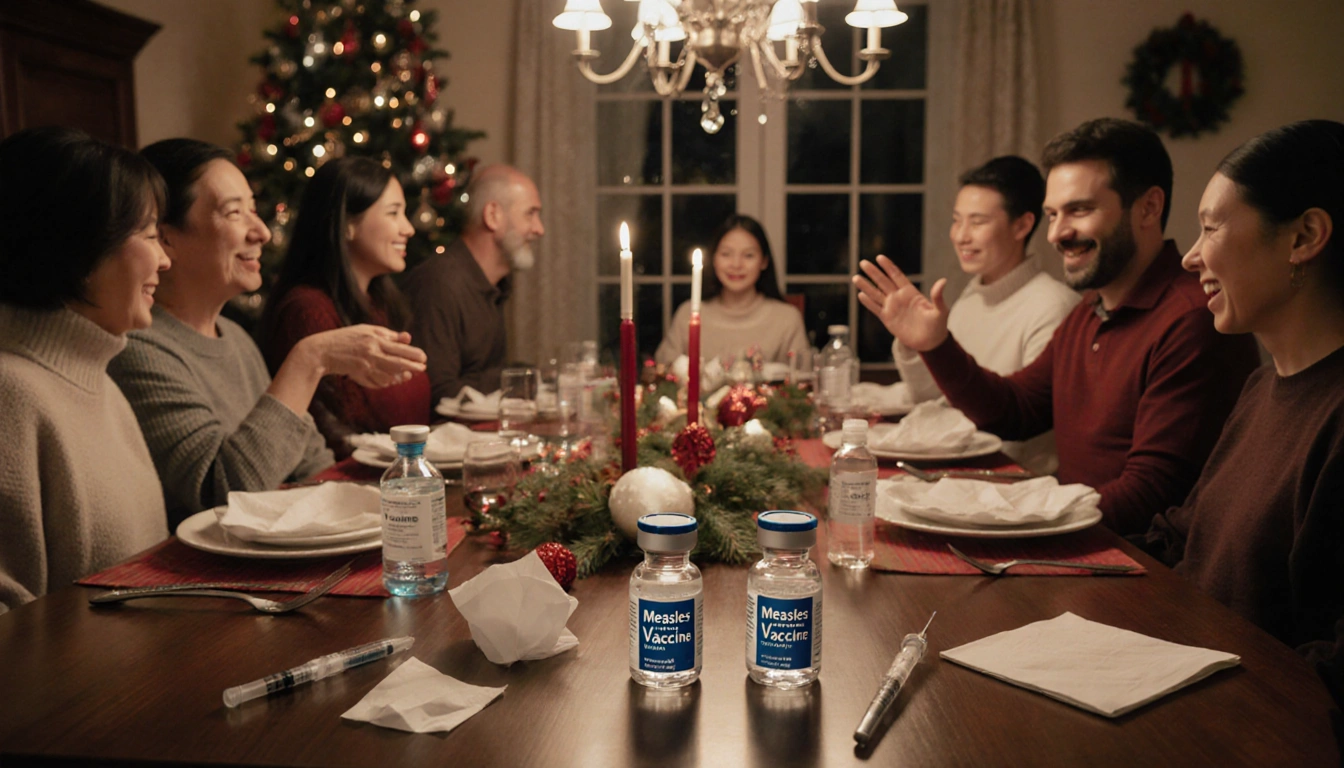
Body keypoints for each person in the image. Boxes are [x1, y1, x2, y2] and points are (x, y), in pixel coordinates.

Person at [854, 118, 1261, 535]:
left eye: (1079, 210)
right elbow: (1015, 411)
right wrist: (936, 344)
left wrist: (1018, 520)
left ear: (1149, 208)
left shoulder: (1192, 317)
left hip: (1135, 571)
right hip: (1079, 544)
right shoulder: (1091, 310)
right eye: (1052, 214)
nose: (1057, 234)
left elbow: (1151, 494)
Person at [109, 139, 426, 526]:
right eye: (233, 212)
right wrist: (310, 359)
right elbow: (224, 493)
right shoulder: (140, 348)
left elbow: (314, 466)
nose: (260, 231)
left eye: (253, 210)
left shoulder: (236, 338)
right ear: (166, 237)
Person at [1141, 120, 1344, 707]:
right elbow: (1180, 540)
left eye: (1210, 228)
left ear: (1304, 236)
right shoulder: (1263, 386)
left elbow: (1328, 669)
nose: (1192, 256)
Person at [0, 127, 169, 612]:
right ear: (79, 246)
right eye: (151, 235)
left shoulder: (98, 378)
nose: (163, 259)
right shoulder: (12, 394)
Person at [892, 156, 1079, 474]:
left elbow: (1022, 430)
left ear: (1022, 225)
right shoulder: (970, 296)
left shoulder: (1055, 306)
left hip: (1013, 483)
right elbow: (934, 400)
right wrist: (916, 345)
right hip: (955, 469)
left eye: (977, 222)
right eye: (956, 220)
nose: (961, 235)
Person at [257, 157, 430, 459]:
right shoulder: (307, 311)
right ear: (347, 225)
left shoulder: (379, 304)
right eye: (394, 213)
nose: (408, 229)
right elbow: (326, 439)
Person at [404, 164, 544, 402]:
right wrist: (517, 379)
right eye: (530, 213)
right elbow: (437, 394)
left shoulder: (495, 285)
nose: (539, 229)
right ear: (492, 215)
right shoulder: (439, 284)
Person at [654, 214, 808, 365]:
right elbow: (664, 373)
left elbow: (802, 382)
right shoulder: (688, 315)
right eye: (726, 254)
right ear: (714, 259)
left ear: (764, 261)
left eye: (748, 255)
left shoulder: (787, 319)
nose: (736, 264)